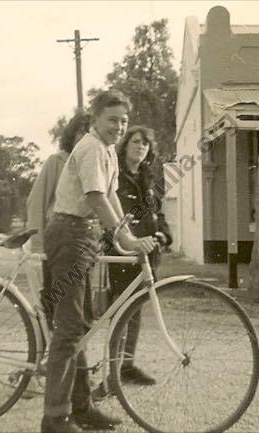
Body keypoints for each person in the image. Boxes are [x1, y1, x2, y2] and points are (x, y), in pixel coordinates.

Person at [40, 90, 155, 433]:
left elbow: (113, 197)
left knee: (81, 324)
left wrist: (128, 232)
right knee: (69, 327)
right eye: (112, 120)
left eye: (123, 121)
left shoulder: (107, 151)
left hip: (84, 233)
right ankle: (54, 418)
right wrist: (124, 238)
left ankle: (81, 407)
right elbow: (94, 196)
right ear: (95, 120)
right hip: (69, 232)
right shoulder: (90, 148)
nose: (119, 127)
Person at [92, 126, 173, 400]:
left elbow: (158, 213)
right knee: (120, 313)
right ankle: (110, 375)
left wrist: (163, 234)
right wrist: (134, 240)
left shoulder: (149, 177)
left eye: (145, 144)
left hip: (148, 254)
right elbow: (114, 215)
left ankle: (126, 367)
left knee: (136, 311)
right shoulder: (117, 177)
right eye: (136, 142)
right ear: (125, 146)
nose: (141, 147)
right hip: (124, 253)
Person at [24, 111, 91, 328]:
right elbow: (36, 202)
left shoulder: (90, 165)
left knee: (80, 310)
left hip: (81, 244)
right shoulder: (57, 162)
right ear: (72, 135)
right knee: (56, 308)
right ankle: (48, 358)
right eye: (81, 131)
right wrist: (38, 245)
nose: (85, 137)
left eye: (89, 133)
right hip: (57, 245)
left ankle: (77, 361)